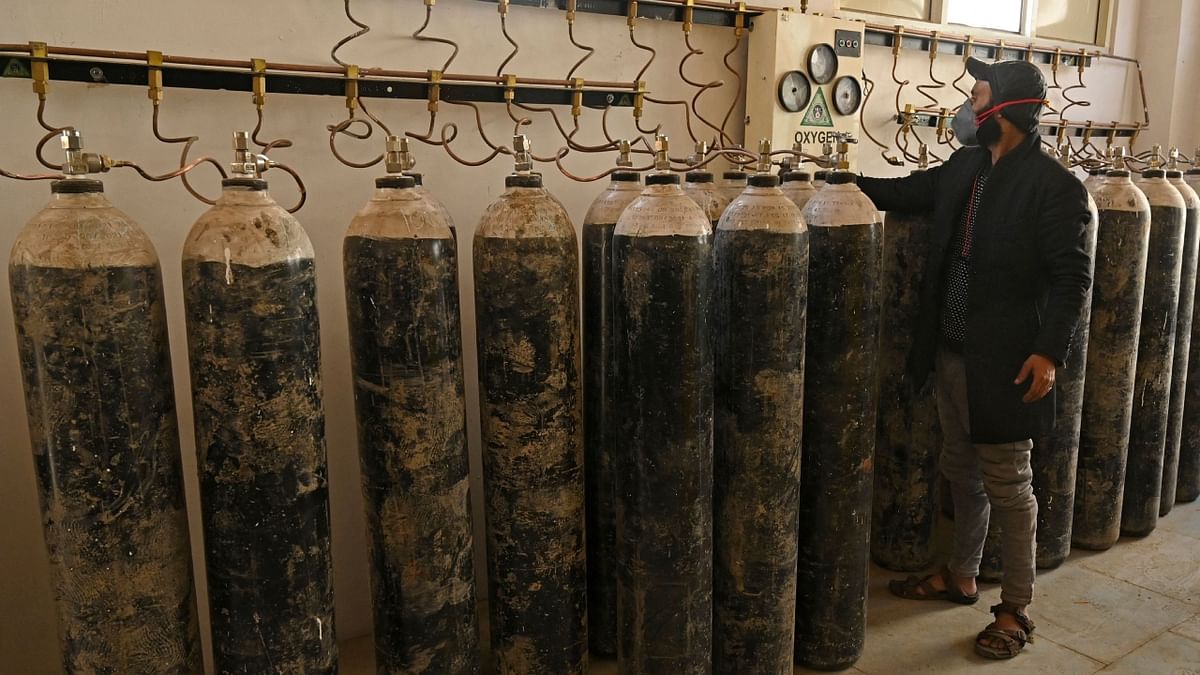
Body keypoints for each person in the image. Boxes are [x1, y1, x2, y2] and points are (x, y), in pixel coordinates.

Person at [858, 57, 1092, 659]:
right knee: (960, 469)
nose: (966, 105)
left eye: (977, 94)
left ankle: (1015, 608)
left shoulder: (1055, 187)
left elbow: (1072, 278)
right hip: (953, 351)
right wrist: (837, 181)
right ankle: (961, 575)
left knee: (1010, 485)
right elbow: (906, 192)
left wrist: (1048, 353)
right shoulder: (967, 167)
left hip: (1008, 360)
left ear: (1005, 108)